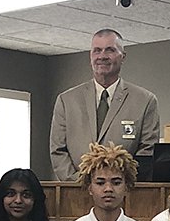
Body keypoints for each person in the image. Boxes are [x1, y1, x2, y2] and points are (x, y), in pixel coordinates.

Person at [50, 29, 161, 182]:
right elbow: (58, 150)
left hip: (124, 192)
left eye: (110, 50)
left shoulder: (145, 101)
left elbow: (147, 151)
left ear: (123, 57)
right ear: (90, 56)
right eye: (97, 51)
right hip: (76, 192)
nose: (102, 56)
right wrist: (79, 183)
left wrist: (117, 183)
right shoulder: (66, 100)